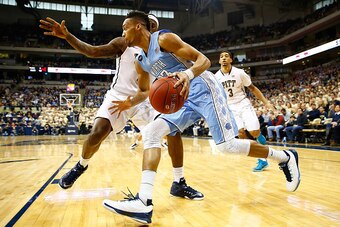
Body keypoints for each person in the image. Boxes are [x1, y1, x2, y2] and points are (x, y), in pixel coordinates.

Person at [103, 11, 300, 224]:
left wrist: (186, 75)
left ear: (138, 27)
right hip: (181, 99)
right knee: (151, 132)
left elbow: (203, 60)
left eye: (125, 27)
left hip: (204, 89)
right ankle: (144, 202)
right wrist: (129, 102)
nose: (122, 32)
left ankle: (285, 157)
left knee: (227, 146)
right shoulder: (140, 61)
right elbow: (144, 91)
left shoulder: (163, 39)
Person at [39, 15, 203, 200]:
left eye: (154, 26)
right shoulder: (123, 44)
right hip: (119, 96)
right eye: (147, 25)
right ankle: (81, 165)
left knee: (173, 131)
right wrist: (68, 36)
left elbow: (188, 60)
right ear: (139, 27)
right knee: (97, 133)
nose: (150, 28)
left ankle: (179, 182)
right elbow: (92, 51)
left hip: (147, 98)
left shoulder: (164, 47)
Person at [214, 51, 275, 172]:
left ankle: (260, 139)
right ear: (219, 61)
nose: (224, 58)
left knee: (254, 132)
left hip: (243, 104)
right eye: (221, 57)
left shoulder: (240, 73)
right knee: (241, 133)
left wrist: (266, 102)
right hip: (230, 108)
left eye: (226, 56)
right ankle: (262, 160)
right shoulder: (216, 77)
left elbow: (252, 88)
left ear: (231, 59)